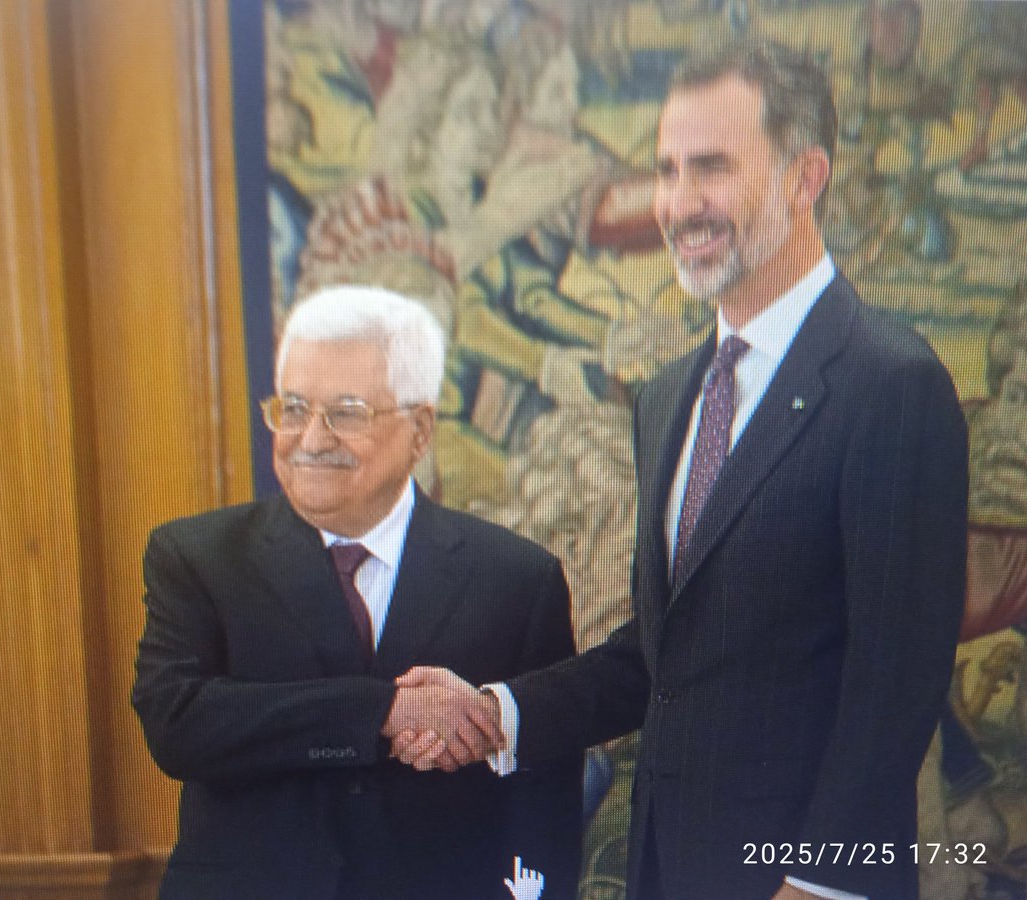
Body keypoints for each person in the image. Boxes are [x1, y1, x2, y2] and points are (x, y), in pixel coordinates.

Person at [391, 37, 969, 900]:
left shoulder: (892, 385)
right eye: (666, 171)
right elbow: (667, 658)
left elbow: (896, 685)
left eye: (712, 168)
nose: (678, 204)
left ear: (805, 178)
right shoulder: (668, 396)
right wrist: (497, 711)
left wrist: (820, 885)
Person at [131, 285, 582, 900]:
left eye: (346, 412)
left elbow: (544, 791)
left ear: (420, 429)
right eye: (293, 408)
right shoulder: (198, 557)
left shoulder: (516, 577)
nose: (312, 439)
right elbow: (178, 724)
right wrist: (383, 712)